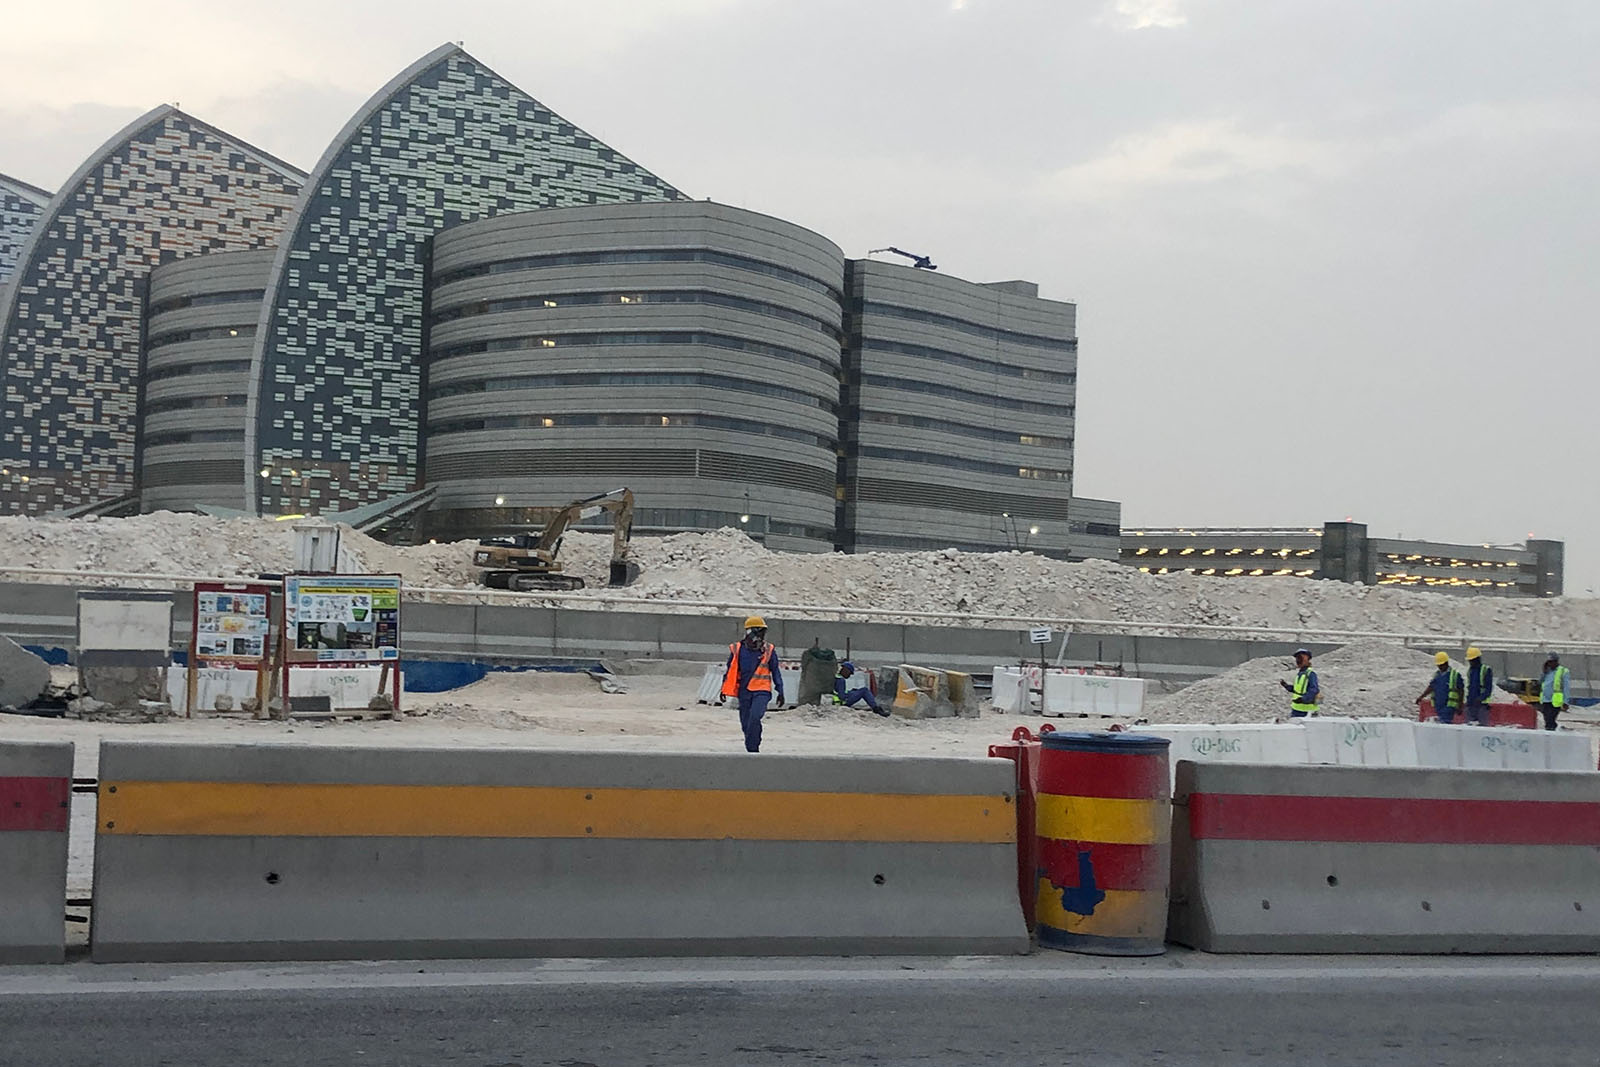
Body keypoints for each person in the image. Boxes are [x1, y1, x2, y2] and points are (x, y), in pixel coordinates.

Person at [721, 615, 784, 752]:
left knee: (755, 716)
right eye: (759, 631)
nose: (761, 635)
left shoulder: (769, 650)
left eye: (763, 631)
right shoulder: (738, 649)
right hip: (744, 691)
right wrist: (723, 689)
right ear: (750, 631)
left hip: (762, 691)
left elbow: (775, 670)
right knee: (746, 723)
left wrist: (780, 690)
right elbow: (730, 669)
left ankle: (753, 748)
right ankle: (751, 748)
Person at [1417, 652, 1464, 724]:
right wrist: (1421, 697)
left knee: (1445, 722)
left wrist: (1460, 705)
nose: (1440, 667)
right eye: (1439, 665)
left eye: (1442, 665)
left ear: (1446, 663)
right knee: (1441, 724)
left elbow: (1461, 690)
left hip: (1449, 706)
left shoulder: (1454, 675)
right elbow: (1431, 687)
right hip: (1438, 705)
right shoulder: (1437, 675)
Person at [1279, 648, 1320, 717]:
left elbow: (1314, 689)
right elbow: (1298, 689)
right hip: (1297, 709)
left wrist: (1303, 699)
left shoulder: (1310, 674)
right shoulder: (1300, 674)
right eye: (1297, 658)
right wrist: (1287, 686)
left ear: (1307, 659)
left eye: (1300, 658)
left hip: (1307, 711)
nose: (1298, 660)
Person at [1463, 647, 1494, 727]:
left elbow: (1488, 688)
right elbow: (1470, 687)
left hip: (1482, 705)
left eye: (1472, 660)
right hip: (1471, 704)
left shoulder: (1485, 670)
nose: (1470, 662)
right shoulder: (1470, 671)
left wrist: (1480, 698)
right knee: (1469, 727)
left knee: (1482, 728)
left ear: (1477, 659)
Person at [1539, 653, 1570, 732]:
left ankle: (1552, 732)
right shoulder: (1547, 671)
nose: (1550, 664)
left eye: (1552, 662)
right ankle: (1550, 732)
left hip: (1555, 700)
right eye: (1549, 662)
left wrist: (1565, 701)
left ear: (1556, 661)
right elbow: (1540, 682)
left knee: (1551, 719)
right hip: (1545, 699)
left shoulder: (1563, 671)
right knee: (1547, 719)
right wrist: (1543, 671)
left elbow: (1566, 687)